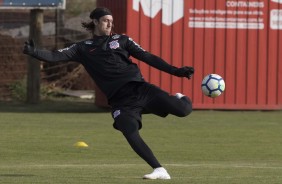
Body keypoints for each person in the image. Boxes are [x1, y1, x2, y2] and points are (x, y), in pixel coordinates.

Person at [23, 7, 194, 180]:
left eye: (111, 21)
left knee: (183, 110)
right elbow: (54, 56)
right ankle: (159, 169)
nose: (110, 24)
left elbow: (147, 57)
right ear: (95, 22)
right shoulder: (82, 48)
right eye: (106, 20)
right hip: (120, 101)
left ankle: (179, 97)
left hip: (140, 89)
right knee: (129, 129)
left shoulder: (122, 40)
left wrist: (176, 71)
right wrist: (33, 52)